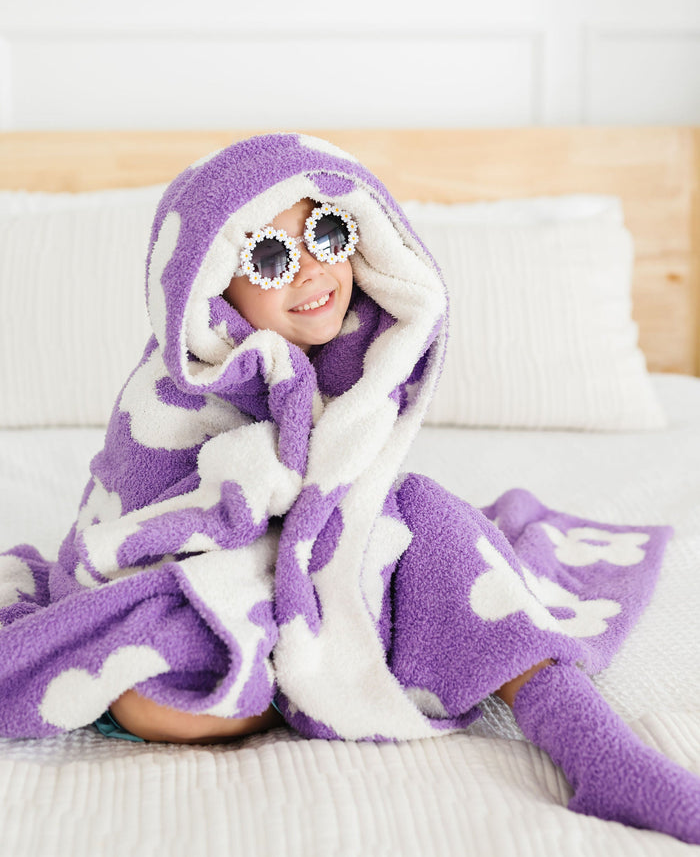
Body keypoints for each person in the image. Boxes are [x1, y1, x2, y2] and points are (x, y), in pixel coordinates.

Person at [0, 134, 698, 843]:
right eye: (270, 258)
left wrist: (317, 526)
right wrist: (257, 485)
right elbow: (135, 525)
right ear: (214, 287)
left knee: (432, 524)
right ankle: (308, 677)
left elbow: (358, 494)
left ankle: (596, 749)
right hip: (222, 571)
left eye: (327, 233)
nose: (312, 270)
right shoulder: (170, 393)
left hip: (338, 563)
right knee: (158, 696)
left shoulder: (358, 351)